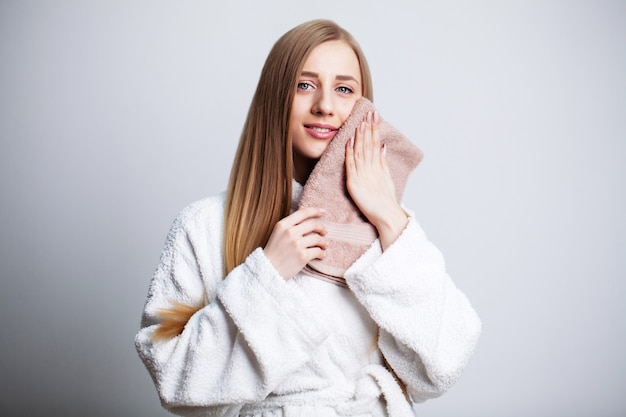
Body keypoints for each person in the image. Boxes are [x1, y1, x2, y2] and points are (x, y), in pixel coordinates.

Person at [135, 19, 481, 417]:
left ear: (363, 109)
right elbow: (174, 380)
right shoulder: (205, 224)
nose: (325, 105)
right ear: (274, 97)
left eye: (344, 89)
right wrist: (266, 275)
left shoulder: (391, 232)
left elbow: (442, 367)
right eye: (304, 85)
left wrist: (388, 215)